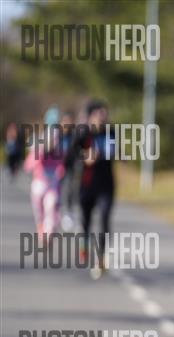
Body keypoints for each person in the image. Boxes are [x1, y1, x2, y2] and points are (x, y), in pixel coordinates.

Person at [71, 100, 116, 278]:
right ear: (91, 117)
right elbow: (70, 155)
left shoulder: (111, 132)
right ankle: (84, 243)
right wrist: (85, 156)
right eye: (99, 114)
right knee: (86, 220)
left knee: (104, 218)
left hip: (106, 184)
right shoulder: (83, 134)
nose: (103, 117)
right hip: (87, 184)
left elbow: (117, 150)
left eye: (105, 114)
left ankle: (101, 258)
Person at [23, 107, 65, 237]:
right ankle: (41, 226)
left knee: (51, 205)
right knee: (39, 206)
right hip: (40, 180)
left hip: (53, 182)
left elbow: (63, 160)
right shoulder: (40, 139)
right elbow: (31, 159)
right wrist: (42, 149)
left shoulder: (61, 142)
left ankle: (49, 230)